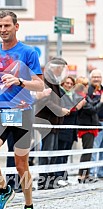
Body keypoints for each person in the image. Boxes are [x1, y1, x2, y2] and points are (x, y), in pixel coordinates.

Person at [0, 10, 44, 209]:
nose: (3, 30)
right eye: (0, 26)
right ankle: (4, 189)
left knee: (20, 165)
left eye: (7, 25)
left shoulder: (28, 52)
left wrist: (19, 81)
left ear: (16, 27)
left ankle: (29, 207)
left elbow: (40, 84)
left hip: (22, 111)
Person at [35, 57, 70, 190]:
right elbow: (45, 102)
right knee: (47, 152)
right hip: (46, 121)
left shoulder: (53, 80)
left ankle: (50, 180)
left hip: (53, 122)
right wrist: (60, 110)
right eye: (61, 67)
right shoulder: (46, 80)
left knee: (52, 152)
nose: (62, 70)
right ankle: (43, 181)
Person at [55, 76, 85, 183]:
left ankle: (63, 176)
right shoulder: (61, 94)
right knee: (60, 154)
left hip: (71, 129)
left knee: (66, 154)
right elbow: (66, 110)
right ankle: (58, 176)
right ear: (62, 83)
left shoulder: (72, 95)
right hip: (63, 128)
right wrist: (77, 107)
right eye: (67, 83)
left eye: (71, 84)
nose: (68, 85)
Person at [75, 77, 103, 183]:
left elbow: (93, 105)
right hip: (86, 127)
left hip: (91, 126)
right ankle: (82, 175)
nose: (87, 87)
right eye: (85, 85)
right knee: (87, 152)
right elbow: (93, 109)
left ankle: (85, 175)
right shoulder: (80, 98)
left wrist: (99, 100)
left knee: (89, 152)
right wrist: (101, 102)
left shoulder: (85, 97)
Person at [87, 69, 103, 178]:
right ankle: (92, 173)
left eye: (98, 77)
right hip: (95, 124)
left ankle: (101, 172)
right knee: (94, 149)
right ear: (90, 79)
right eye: (94, 77)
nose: (96, 79)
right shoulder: (88, 90)